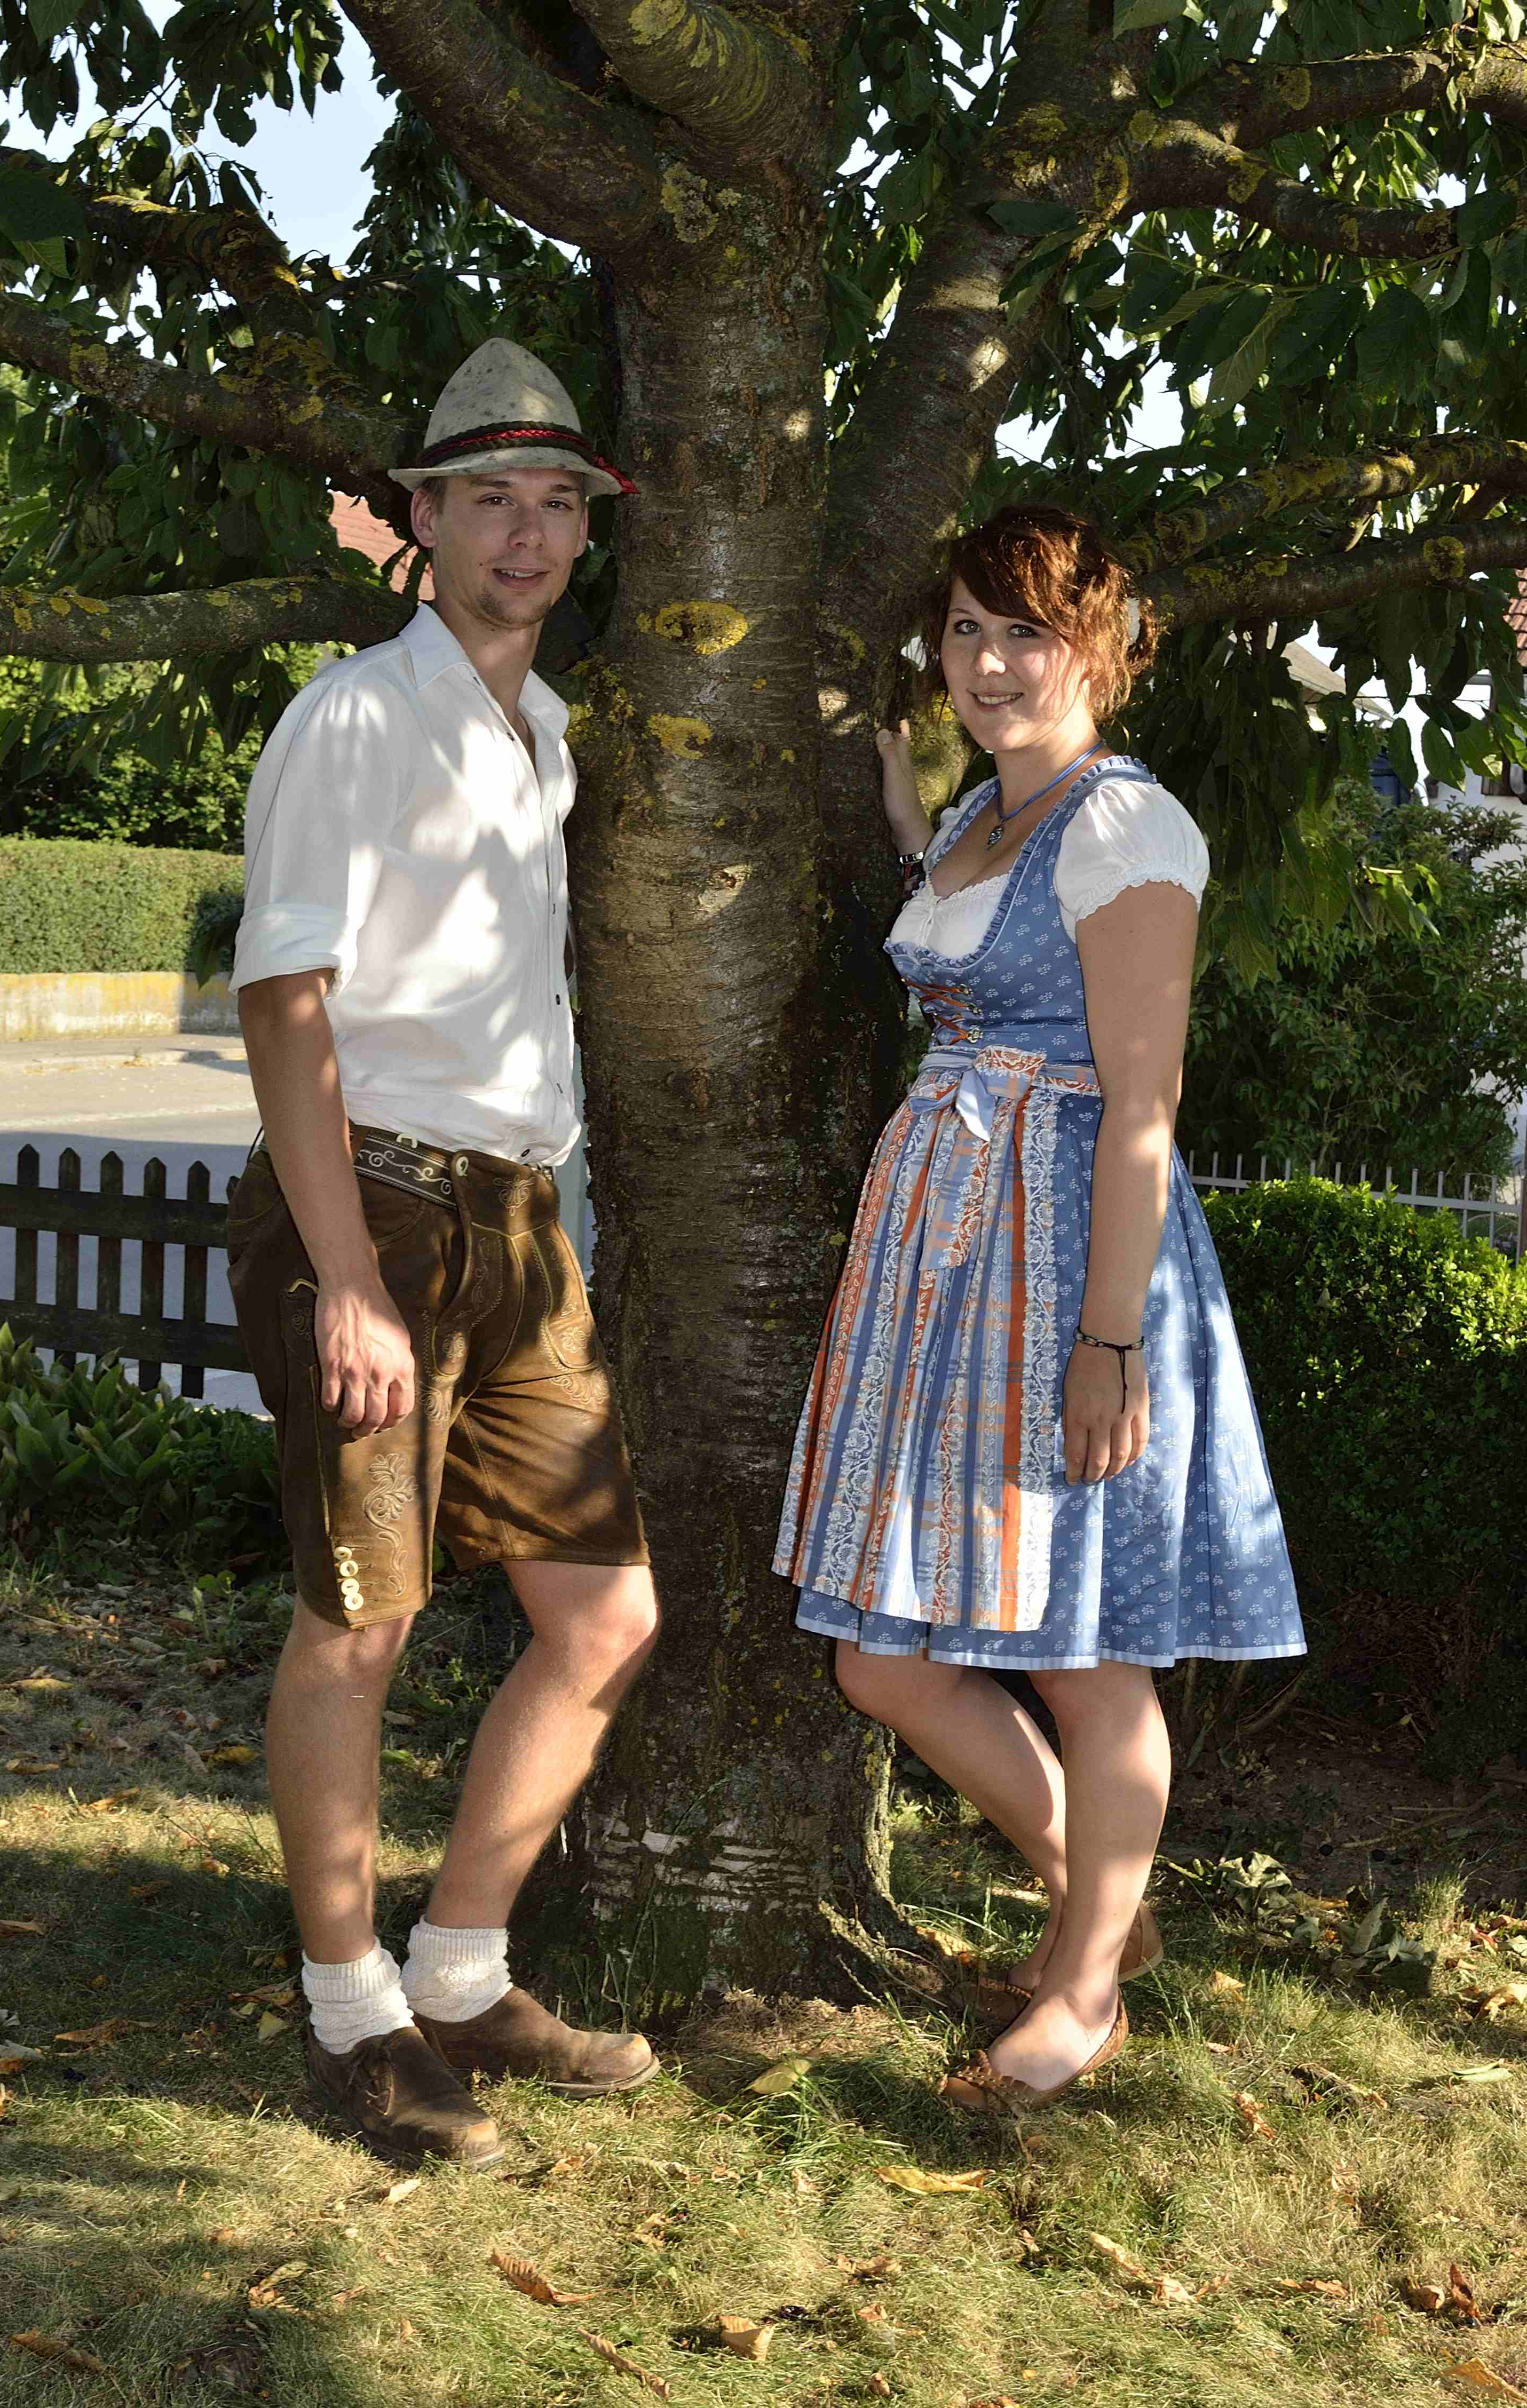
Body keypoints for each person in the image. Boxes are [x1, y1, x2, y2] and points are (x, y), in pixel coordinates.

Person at [774, 505, 1304, 2113]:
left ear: (1102, 652)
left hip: (1067, 1258)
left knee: (1085, 1649)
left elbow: (1143, 1104)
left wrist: (1108, 1343)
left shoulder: (1124, 827)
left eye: (1028, 633)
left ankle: (1079, 1993)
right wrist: (898, 801)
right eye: (966, 630)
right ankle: (1099, 1905)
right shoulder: (977, 817)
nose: (992, 664)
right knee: (883, 1659)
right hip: (945, 1254)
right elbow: (963, 948)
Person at [226, 339, 659, 2167]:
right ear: (421, 515)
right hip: (377, 1209)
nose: (527, 533)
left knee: (604, 1612)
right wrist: (342, 1275)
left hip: (521, 1222)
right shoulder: (353, 718)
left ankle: (462, 1967)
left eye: (557, 502)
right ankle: (351, 2014)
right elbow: (283, 1003)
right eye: (490, 497)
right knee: (365, 1616)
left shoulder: (541, 731)